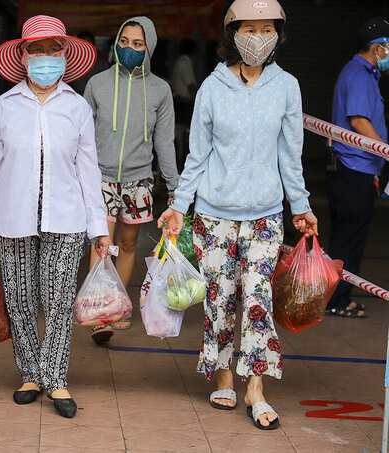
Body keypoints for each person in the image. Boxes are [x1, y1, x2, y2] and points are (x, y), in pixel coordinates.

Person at [158, 0, 318, 430]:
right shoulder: (212, 88)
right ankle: (224, 374)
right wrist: (179, 205)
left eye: (267, 28)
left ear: (278, 34)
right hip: (213, 215)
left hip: (265, 215)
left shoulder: (286, 86)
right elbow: (197, 154)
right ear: (232, 33)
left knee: (258, 299)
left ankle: (256, 388)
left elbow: (291, 154)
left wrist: (300, 205)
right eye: (249, 28)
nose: (258, 37)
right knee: (220, 297)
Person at [0, 15, 111, 419]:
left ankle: (56, 378)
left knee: (58, 300)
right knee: (21, 300)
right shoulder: (5, 106)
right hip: (14, 219)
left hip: (67, 218)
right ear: (24, 56)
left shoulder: (77, 108)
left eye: (52, 49)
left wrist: (99, 227)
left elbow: (88, 171)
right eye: (36, 50)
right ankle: (30, 373)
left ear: (64, 55)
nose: (45, 57)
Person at [83, 16, 179, 344]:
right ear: (116, 43)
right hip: (101, 176)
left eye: (138, 44)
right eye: (124, 41)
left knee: (126, 244)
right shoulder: (97, 84)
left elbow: (165, 142)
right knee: (102, 244)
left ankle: (116, 305)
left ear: (148, 47)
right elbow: (81, 136)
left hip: (139, 180)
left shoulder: (160, 91)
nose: (130, 48)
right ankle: (100, 312)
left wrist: (174, 187)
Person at [326, 17, 389, 318]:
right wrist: (386, 152)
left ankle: (335, 296)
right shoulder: (361, 75)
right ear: (378, 48)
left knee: (345, 236)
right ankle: (335, 299)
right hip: (355, 169)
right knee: (349, 237)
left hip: (353, 169)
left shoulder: (361, 72)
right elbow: (359, 120)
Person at [69, 31, 110, 95]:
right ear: (78, 46)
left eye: (89, 44)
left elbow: (106, 86)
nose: (86, 47)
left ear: (94, 45)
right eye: (83, 44)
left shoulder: (102, 64)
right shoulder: (70, 64)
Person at [171, 38, 198, 125]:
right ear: (192, 51)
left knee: (179, 126)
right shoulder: (185, 63)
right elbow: (190, 85)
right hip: (184, 101)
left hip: (178, 100)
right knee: (184, 126)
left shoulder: (179, 62)